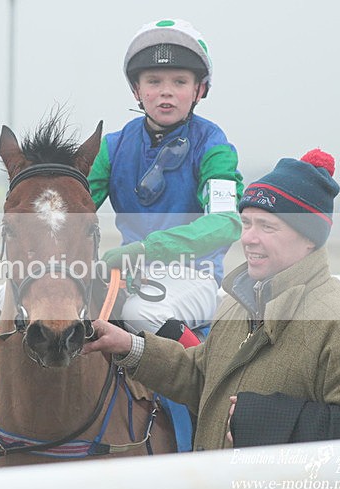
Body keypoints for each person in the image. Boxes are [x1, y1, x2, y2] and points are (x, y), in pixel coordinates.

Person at [84, 149, 340, 489]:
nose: (249, 239)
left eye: (267, 227)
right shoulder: (238, 303)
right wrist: (130, 346)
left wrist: (264, 419)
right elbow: (203, 378)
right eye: (247, 222)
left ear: (309, 239)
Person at [87, 18, 243, 337]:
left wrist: (145, 251)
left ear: (199, 90)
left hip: (194, 277)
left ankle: (201, 375)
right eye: (154, 81)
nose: (166, 93)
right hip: (127, 274)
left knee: (141, 312)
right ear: (137, 90)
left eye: (180, 81)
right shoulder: (111, 147)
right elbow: (74, 208)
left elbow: (226, 222)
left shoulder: (215, 147)